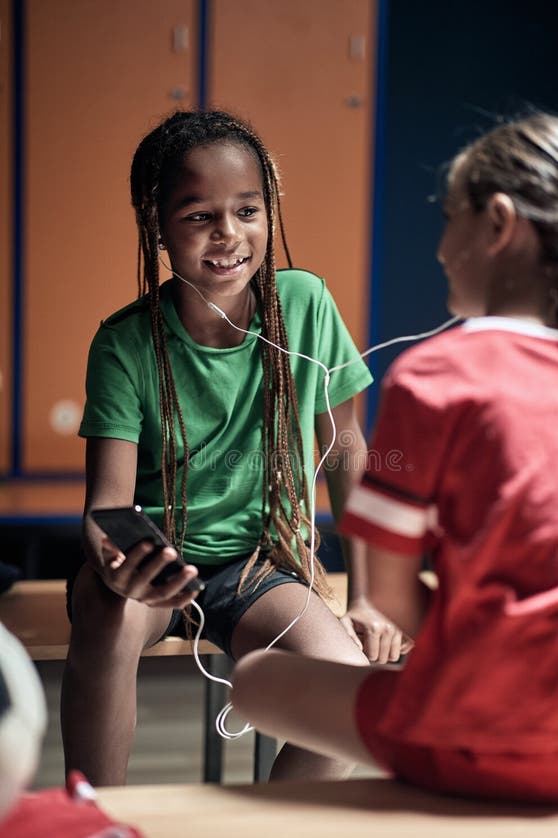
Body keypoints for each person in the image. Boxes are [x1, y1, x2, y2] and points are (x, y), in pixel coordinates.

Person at [231, 112, 558, 803]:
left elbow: (394, 599)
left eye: (448, 218)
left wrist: (479, 654)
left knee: (255, 679)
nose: (439, 247)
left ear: (497, 223)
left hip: (490, 738)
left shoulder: (434, 379)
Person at [61, 109, 404, 787]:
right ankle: (93, 828)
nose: (228, 235)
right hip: (157, 569)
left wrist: (368, 598)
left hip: (257, 567)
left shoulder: (304, 304)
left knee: (352, 692)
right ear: (156, 224)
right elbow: (107, 505)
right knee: (105, 616)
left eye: (246, 210)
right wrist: (117, 563)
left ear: (267, 210)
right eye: (198, 216)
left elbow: (346, 451)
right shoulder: (125, 343)